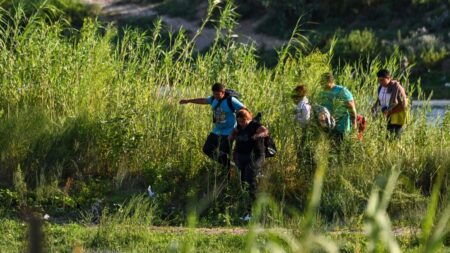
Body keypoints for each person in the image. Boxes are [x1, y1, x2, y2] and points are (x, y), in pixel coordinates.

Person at [179, 82, 245, 174]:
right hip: (216, 131)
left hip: (229, 132)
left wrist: (240, 126)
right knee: (207, 149)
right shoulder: (213, 99)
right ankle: (229, 165)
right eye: (214, 94)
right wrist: (188, 101)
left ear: (223, 92)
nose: (216, 96)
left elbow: (244, 110)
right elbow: (203, 100)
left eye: (218, 94)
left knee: (224, 153)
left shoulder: (231, 100)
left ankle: (227, 174)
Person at [228, 109, 268, 221]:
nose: (241, 124)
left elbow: (265, 131)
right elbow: (233, 133)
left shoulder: (255, 125)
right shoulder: (240, 127)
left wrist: (257, 135)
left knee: (249, 181)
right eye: (239, 121)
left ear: (248, 118)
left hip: (256, 156)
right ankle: (249, 212)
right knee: (244, 185)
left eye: (243, 121)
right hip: (242, 157)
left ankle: (255, 213)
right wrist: (231, 136)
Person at [317, 72, 357, 143]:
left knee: (342, 150)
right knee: (333, 151)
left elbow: (352, 109)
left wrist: (354, 126)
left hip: (342, 128)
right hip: (329, 127)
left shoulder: (342, 91)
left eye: (322, 82)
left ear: (329, 81)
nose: (320, 84)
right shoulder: (322, 93)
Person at [372, 69, 408, 139]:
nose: (380, 82)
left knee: (395, 140)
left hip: (398, 118)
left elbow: (404, 104)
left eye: (382, 80)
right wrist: (375, 106)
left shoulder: (397, 87)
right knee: (386, 139)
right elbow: (380, 99)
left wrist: (390, 112)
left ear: (389, 78)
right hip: (387, 117)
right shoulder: (380, 88)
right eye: (379, 80)